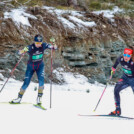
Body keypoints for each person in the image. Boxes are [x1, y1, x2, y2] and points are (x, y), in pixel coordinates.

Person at [10, 34, 57, 105]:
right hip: (30, 67)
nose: (38, 44)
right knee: (26, 83)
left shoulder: (44, 45)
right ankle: (19, 98)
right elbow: (18, 52)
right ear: (34, 42)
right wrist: (23, 50)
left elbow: (54, 48)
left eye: (40, 43)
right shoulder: (30, 47)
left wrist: (53, 43)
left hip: (40, 66)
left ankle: (39, 99)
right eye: (37, 43)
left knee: (41, 82)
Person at [109, 48, 134, 116]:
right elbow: (116, 63)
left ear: (131, 56)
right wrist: (113, 69)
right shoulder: (120, 59)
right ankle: (118, 110)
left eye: (128, 56)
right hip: (125, 78)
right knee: (116, 90)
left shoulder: (132, 63)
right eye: (125, 55)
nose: (126, 57)